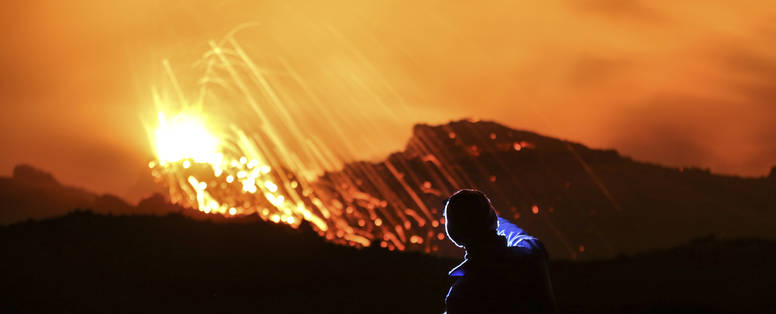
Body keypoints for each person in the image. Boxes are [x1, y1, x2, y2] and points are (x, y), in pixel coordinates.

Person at [443, 189, 558, 314]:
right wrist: (487, 216)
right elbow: (519, 236)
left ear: (453, 234)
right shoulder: (532, 257)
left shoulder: (461, 294)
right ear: (493, 219)